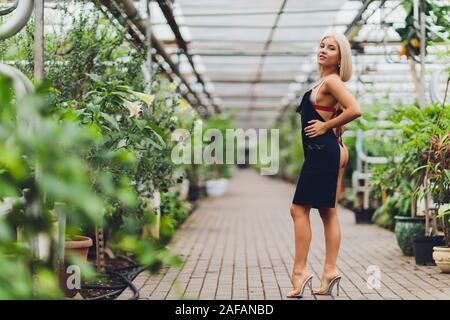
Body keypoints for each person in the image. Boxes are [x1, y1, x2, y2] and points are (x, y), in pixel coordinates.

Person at [287, 33, 362, 298]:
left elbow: (355, 109)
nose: (324, 50)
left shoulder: (331, 81)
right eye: (322, 45)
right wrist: (336, 132)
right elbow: (340, 116)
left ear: (340, 58)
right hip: (325, 152)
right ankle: (329, 272)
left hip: (322, 153)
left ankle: (300, 271)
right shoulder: (324, 83)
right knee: (328, 213)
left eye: (331, 48)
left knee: (298, 210)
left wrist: (325, 126)